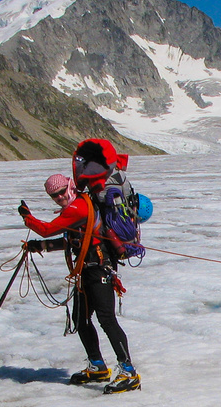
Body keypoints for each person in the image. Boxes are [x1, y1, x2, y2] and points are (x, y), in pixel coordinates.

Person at [17, 145, 140, 393]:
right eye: (55, 196)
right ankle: (97, 365)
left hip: (99, 269)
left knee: (106, 319)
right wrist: (40, 246)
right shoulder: (77, 207)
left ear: (70, 186)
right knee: (81, 319)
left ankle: (128, 371)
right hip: (87, 270)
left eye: (62, 192)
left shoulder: (78, 207)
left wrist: (27, 217)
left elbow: (48, 228)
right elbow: (74, 240)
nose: (60, 197)